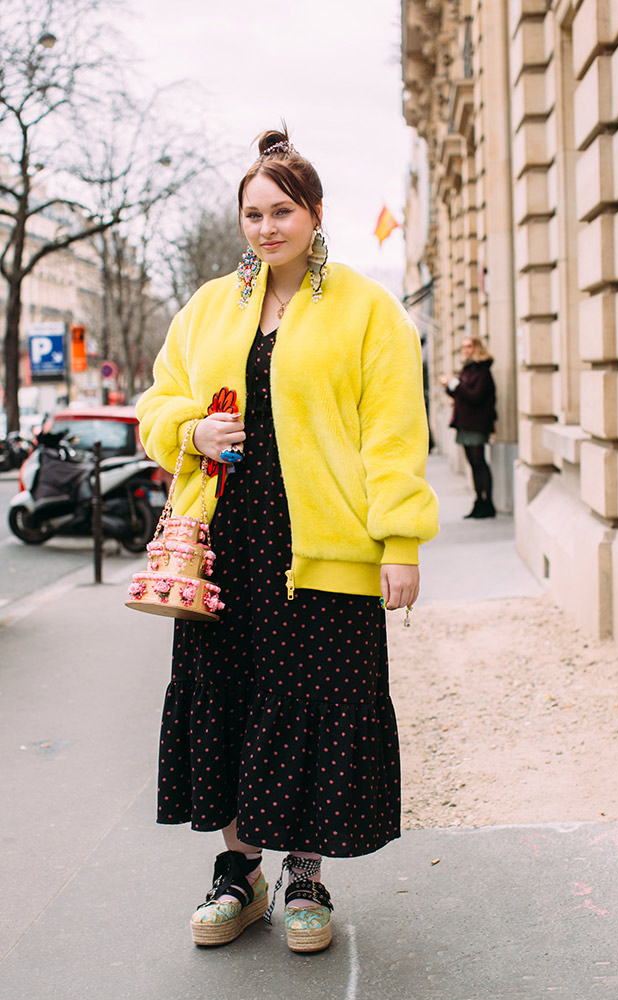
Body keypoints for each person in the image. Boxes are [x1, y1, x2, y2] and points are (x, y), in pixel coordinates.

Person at [136, 127, 439, 954]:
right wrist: (190, 431)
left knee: (314, 711)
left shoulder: (367, 310)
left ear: (312, 214)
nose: (266, 228)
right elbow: (155, 403)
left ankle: (305, 873)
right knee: (228, 703)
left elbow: (392, 434)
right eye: (252, 214)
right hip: (223, 548)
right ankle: (239, 872)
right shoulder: (208, 307)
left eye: (281, 211)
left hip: (323, 554)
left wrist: (400, 541)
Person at [441, 336, 497, 519]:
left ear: (477, 348)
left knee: (479, 462)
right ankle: (478, 501)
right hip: (464, 423)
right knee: (473, 464)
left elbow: (475, 396)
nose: (466, 350)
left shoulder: (482, 371)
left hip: (476, 424)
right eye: (464, 347)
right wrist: (449, 386)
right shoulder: (468, 369)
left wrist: (456, 385)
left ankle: (487, 502)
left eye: (469, 346)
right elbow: (460, 395)